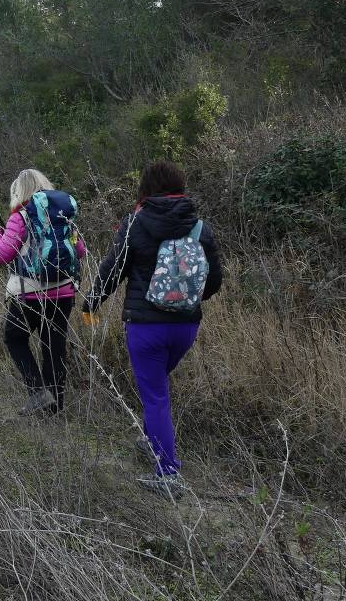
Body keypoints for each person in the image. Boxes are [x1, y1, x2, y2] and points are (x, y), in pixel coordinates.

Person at [81, 160, 222, 497]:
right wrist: (187, 296)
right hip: (186, 327)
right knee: (157, 389)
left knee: (156, 396)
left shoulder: (135, 224)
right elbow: (214, 282)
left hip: (146, 328)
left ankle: (168, 474)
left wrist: (91, 302)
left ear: (145, 188)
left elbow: (112, 270)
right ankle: (152, 442)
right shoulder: (200, 228)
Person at [0, 169, 86, 417]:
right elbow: (81, 250)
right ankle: (55, 407)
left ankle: (38, 392)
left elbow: (1, 255)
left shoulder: (21, 216)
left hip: (29, 294)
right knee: (54, 347)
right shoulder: (64, 213)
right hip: (63, 292)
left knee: (15, 339)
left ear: (20, 190)